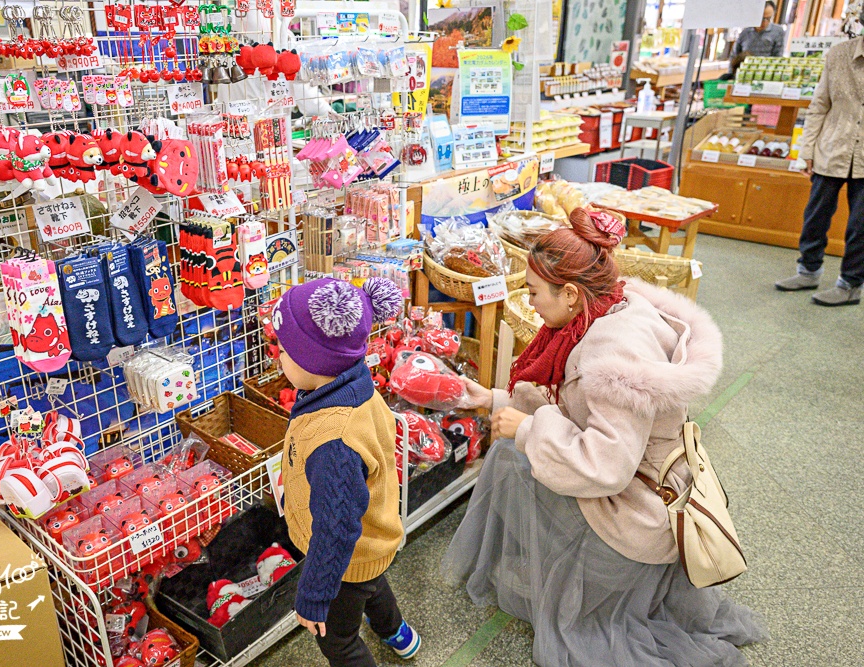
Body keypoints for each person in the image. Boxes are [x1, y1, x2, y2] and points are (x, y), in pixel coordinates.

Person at [442, 209, 768, 666]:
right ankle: (553, 570)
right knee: (514, 449)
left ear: (571, 293)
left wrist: (529, 429)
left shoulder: (612, 356)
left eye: (534, 292)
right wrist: (495, 399)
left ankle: (574, 578)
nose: (530, 302)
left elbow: (606, 468)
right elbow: (577, 410)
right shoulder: (611, 308)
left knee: (510, 461)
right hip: (654, 486)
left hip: (637, 512)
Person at [272, 277, 421, 667]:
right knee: (371, 583)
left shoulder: (333, 440)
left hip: (344, 559)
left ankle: (387, 637)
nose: (278, 357)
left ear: (313, 361)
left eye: (284, 350)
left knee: (338, 640)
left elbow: (336, 530)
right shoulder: (354, 385)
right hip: (374, 536)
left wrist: (315, 596)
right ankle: (400, 636)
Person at [774, 25, 864, 306]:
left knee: (860, 226)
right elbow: (819, 106)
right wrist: (807, 150)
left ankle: (850, 284)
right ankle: (808, 270)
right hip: (832, 147)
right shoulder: (838, 55)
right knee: (815, 215)